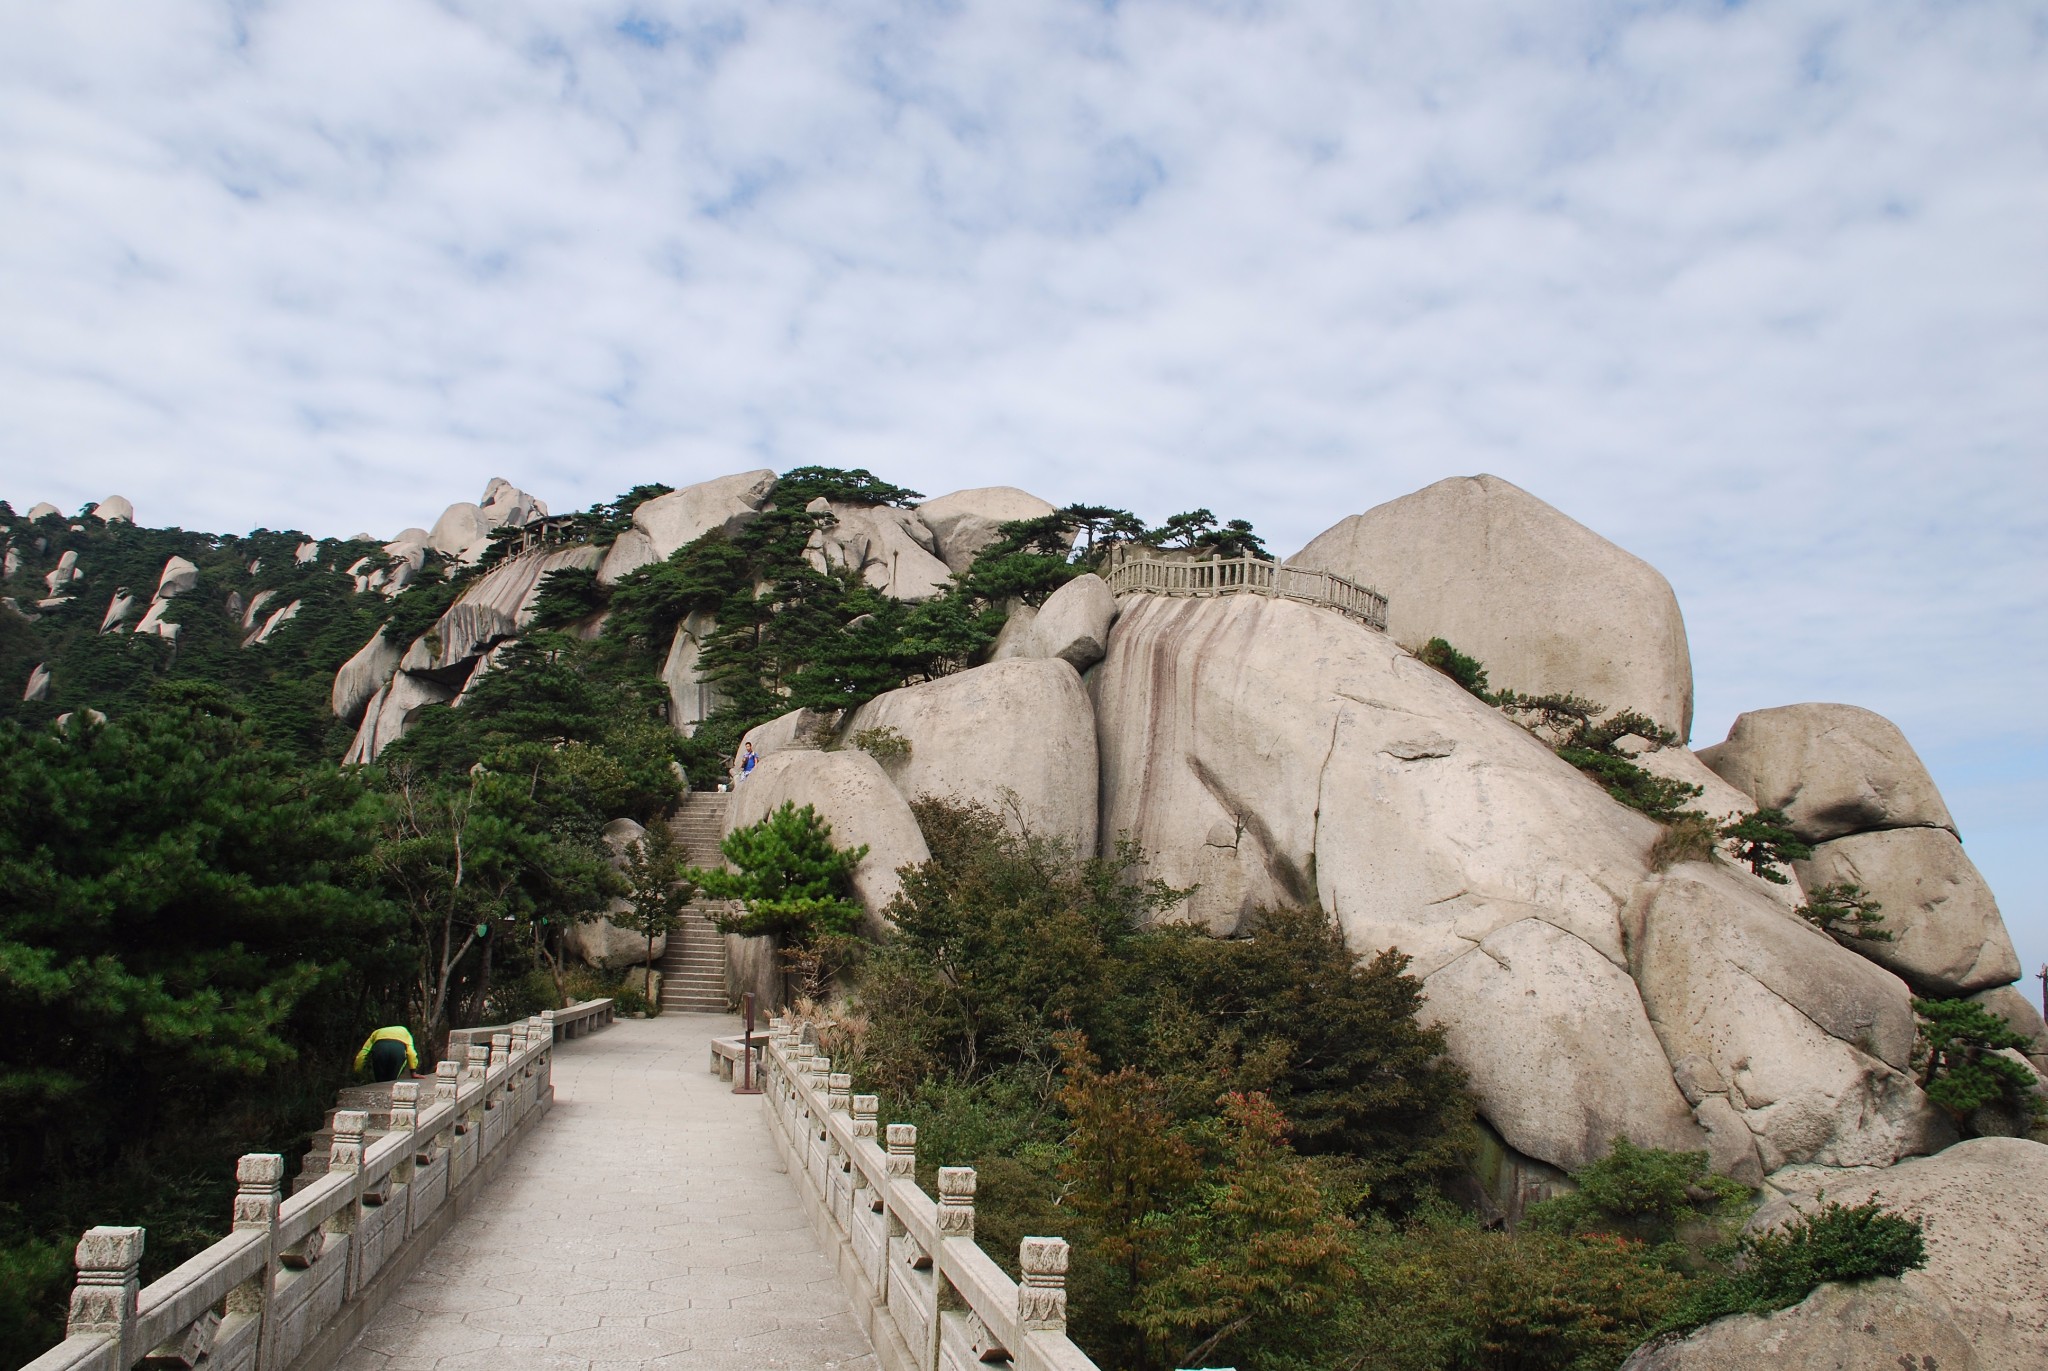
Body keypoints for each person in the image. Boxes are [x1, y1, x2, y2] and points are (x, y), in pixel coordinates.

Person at [353, 1025, 419, 1082]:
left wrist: (357, 1071)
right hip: (398, 1049)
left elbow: (364, 1051)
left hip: (380, 1048)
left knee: (380, 1080)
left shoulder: (377, 1032)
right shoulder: (405, 1032)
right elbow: (411, 1053)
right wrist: (413, 1071)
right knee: (392, 1079)